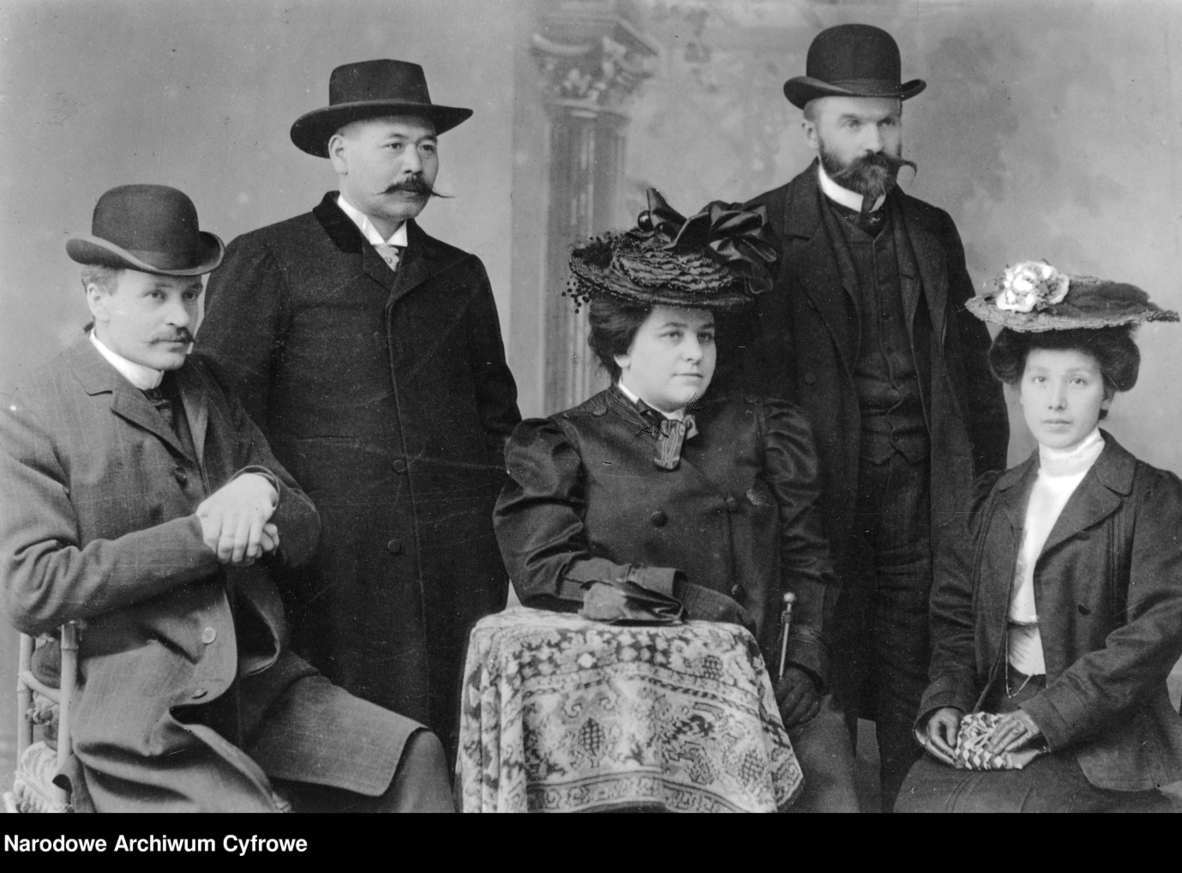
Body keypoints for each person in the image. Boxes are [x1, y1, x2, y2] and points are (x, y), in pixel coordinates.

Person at [0, 184, 454, 812]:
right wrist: (203, 537)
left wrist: (260, 487)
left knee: (415, 753)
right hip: (138, 706)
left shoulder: (207, 384)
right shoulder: (38, 408)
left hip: (256, 683)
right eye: (156, 295)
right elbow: (32, 588)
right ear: (97, 296)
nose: (182, 317)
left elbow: (303, 526)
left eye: (191, 294)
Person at [719, 23, 1010, 809]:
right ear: (809, 126)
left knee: (923, 697)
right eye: (852, 122)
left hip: (922, 513)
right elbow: (735, 400)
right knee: (820, 710)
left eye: (887, 121)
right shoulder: (761, 232)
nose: (874, 141)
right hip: (813, 519)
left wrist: (977, 495)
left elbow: (977, 385)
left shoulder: (932, 231)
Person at [493, 190, 859, 812]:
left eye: (705, 335)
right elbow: (545, 570)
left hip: (773, 690)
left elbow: (810, 561)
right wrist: (680, 596)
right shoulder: (566, 442)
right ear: (621, 347)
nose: (696, 353)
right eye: (673, 334)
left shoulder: (766, 429)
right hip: (638, 704)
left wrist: (804, 663)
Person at [195, 60, 521, 748]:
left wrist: (489, 544)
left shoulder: (461, 274)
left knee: (448, 755)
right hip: (327, 576)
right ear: (339, 153)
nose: (415, 164)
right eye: (394, 144)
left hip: (453, 577)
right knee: (347, 759)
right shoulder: (269, 257)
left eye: (427, 146)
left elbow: (498, 421)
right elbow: (220, 416)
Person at [895, 262, 1182, 812]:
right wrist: (947, 700)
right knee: (915, 800)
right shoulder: (992, 499)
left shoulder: (1158, 500)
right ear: (1018, 389)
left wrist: (1046, 716)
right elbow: (956, 620)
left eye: (1077, 381)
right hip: (997, 702)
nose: (1055, 401)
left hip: (1103, 729)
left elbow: (1150, 639)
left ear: (1107, 392)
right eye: (1039, 380)